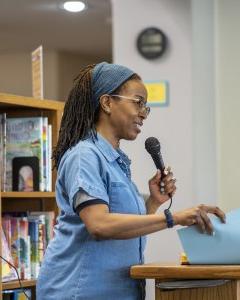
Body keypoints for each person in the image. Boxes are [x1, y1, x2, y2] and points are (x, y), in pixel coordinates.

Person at [36, 62, 226, 300]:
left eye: (146, 106)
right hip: (78, 291)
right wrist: (173, 217)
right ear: (107, 103)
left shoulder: (114, 161)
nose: (144, 112)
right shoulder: (84, 156)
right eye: (138, 102)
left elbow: (121, 224)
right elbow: (99, 225)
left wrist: (153, 204)